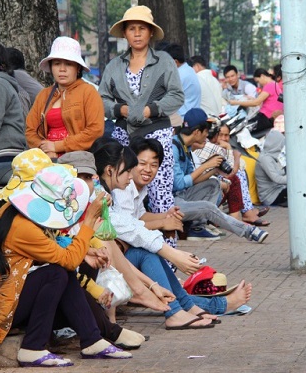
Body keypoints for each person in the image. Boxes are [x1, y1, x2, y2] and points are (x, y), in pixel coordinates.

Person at [0, 165, 132, 367]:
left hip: (10, 297)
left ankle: (92, 340)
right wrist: (89, 222)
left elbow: (59, 251)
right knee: (56, 274)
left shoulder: (16, 213)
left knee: (60, 274)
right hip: (0, 308)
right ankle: (33, 347)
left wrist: (87, 251)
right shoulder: (23, 227)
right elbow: (69, 260)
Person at [91, 139, 237, 329]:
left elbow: (133, 224)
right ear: (110, 170)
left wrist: (165, 227)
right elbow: (129, 228)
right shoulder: (103, 194)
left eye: (154, 164)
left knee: (151, 259)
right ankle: (183, 310)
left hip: (115, 262)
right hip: (100, 266)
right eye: (130, 168)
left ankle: (184, 308)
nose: (134, 173)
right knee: (147, 254)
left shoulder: (109, 191)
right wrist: (171, 252)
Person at [99, 5, 184, 238]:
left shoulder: (164, 61)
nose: (137, 33)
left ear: (150, 33)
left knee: (160, 193)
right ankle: (128, 246)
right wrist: (121, 109)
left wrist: (150, 110)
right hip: (124, 133)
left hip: (157, 132)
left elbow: (176, 95)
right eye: (132, 29)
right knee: (122, 190)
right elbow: (102, 99)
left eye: (142, 29)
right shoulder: (114, 65)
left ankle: (170, 256)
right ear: (125, 33)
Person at [25, 36, 104, 159]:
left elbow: (95, 130)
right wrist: (45, 149)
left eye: (68, 64)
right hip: (46, 159)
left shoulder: (88, 92)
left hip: (79, 159)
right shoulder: (43, 95)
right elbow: (30, 130)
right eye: (57, 64)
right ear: (51, 67)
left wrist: (58, 146)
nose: (62, 69)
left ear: (77, 68)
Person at [172, 109, 226, 241]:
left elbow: (192, 178)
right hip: (172, 202)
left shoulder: (186, 147)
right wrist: (205, 166)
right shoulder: (174, 147)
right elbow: (179, 184)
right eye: (206, 131)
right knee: (208, 205)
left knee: (213, 184)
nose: (207, 136)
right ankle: (248, 231)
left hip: (182, 195)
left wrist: (214, 170)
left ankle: (197, 226)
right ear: (196, 132)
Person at [228, 68, 283, 135]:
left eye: (258, 81)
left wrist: (235, 102)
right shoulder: (274, 84)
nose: (259, 84)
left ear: (262, 76)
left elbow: (256, 103)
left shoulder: (269, 85)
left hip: (266, 117)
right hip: (268, 117)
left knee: (242, 130)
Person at [161, 43, 201, 118]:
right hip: (189, 116)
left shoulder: (178, 76)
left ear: (175, 62)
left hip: (181, 120)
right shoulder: (189, 70)